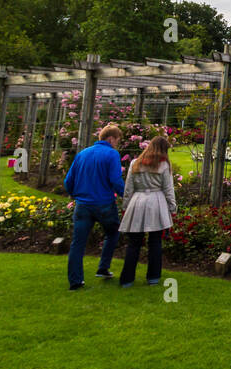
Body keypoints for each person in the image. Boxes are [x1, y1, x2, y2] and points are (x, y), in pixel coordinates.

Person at [62, 124, 125, 290]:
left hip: (83, 205)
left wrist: (75, 194)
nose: (117, 143)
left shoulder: (82, 154)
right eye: (117, 140)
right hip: (104, 204)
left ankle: (75, 281)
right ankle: (103, 267)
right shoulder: (112, 154)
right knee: (112, 233)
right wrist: (127, 194)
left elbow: (68, 181)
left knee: (78, 243)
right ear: (111, 138)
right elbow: (115, 180)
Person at [118, 135, 176, 287]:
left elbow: (128, 188)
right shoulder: (163, 165)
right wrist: (172, 209)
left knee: (134, 243)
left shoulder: (135, 164)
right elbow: (168, 189)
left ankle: (127, 279)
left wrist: (125, 207)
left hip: (137, 201)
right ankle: (153, 277)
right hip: (156, 202)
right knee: (155, 242)